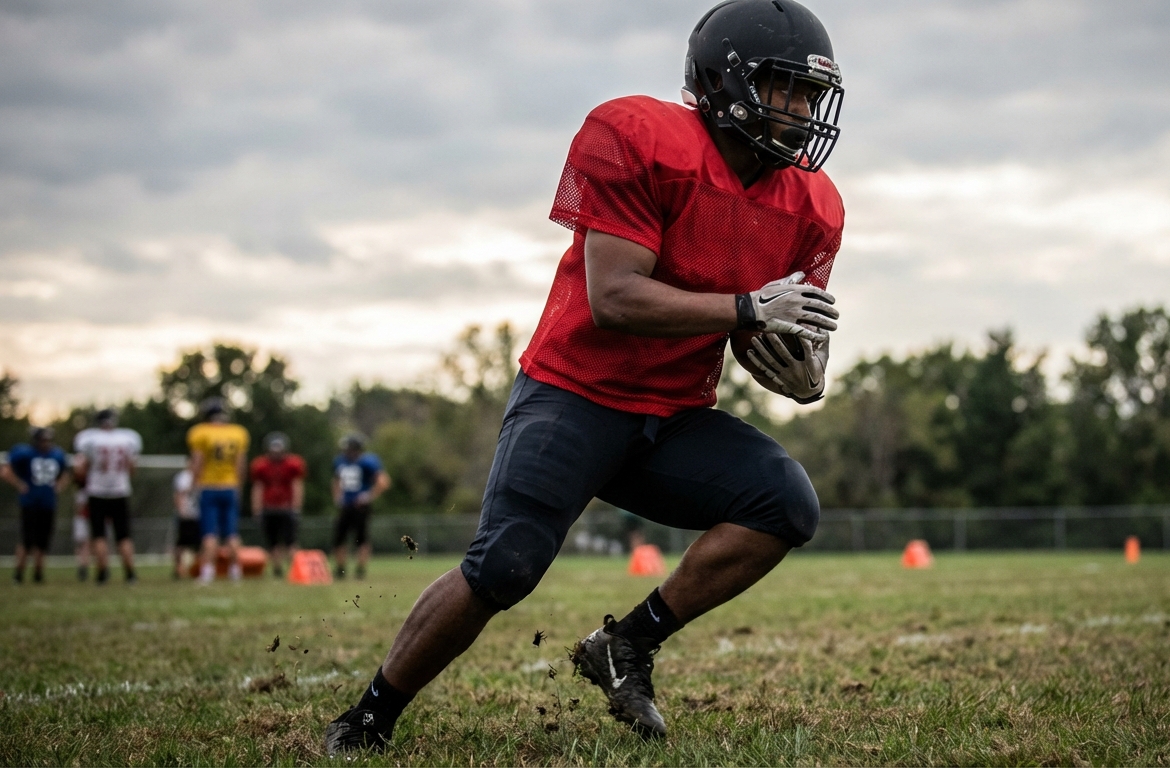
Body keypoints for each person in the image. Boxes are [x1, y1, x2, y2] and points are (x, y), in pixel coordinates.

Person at [324, 0, 844, 753]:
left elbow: (780, 331)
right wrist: (742, 308)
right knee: (505, 565)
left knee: (786, 503)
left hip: (674, 416)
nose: (798, 112)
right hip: (575, 393)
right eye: (781, 87)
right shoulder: (639, 134)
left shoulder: (814, 204)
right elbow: (615, 298)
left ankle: (625, 645)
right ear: (725, 81)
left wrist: (805, 376)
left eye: (809, 95)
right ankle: (371, 714)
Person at [74, 408, 142, 584]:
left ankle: (102, 573)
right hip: (121, 491)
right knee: (124, 536)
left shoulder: (90, 440)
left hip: (97, 492)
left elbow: (81, 470)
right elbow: (132, 469)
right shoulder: (127, 439)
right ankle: (130, 574)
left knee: (99, 535)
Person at [186, 398, 249, 584]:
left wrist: (193, 484)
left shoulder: (200, 432)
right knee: (232, 533)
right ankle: (236, 571)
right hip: (230, 487)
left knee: (209, 533)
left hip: (209, 486)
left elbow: (197, 462)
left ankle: (208, 571)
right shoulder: (238, 433)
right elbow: (240, 464)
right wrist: (239, 486)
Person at [3, 427, 69, 584]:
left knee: (42, 541)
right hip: (30, 502)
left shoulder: (57, 454)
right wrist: (20, 485)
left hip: (47, 503)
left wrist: (59, 486)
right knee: (27, 540)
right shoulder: (24, 453)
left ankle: (38, 574)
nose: (46, 443)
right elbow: (5, 471)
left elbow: (66, 474)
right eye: (43, 440)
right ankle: (19, 574)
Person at [331, 434, 389, 580]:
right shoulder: (340, 461)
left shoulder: (368, 461)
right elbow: (336, 481)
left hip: (360, 507)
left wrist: (368, 496)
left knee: (361, 538)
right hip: (346, 506)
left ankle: (360, 570)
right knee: (339, 538)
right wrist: (337, 497)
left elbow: (384, 481)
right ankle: (340, 569)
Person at [250, 432, 307, 578]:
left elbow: (297, 486)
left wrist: (296, 507)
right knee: (273, 542)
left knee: (290, 541)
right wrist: (257, 509)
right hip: (269, 508)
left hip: (285, 507)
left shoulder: (292, 464)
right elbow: (258, 487)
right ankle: (277, 570)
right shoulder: (261, 465)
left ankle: (296, 570)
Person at [171, 460, 199, 579]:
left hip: (199, 515)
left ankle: (197, 568)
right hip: (186, 515)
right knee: (181, 543)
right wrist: (181, 511)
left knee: (199, 544)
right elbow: (178, 495)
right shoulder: (183, 477)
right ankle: (178, 568)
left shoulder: (202, 475)